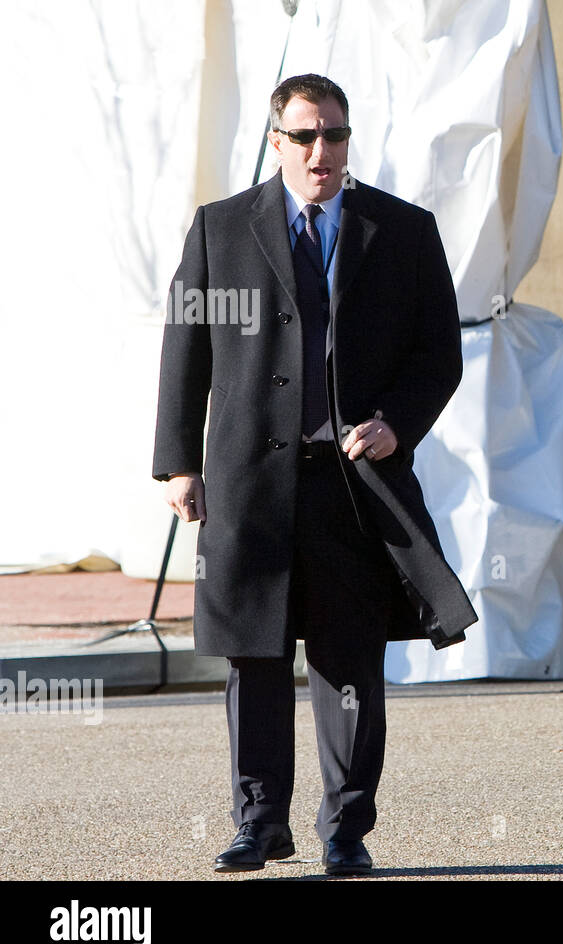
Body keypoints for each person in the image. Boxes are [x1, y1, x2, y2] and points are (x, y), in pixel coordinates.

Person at [153, 74, 476, 875]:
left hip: (353, 489)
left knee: (349, 662)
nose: (322, 151)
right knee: (253, 655)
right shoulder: (220, 229)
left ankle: (346, 830)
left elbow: (439, 354)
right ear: (276, 141)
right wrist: (177, 463)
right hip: (249, 485)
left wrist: (397, 422)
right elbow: (183, 351)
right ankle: (260, 822)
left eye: (334, 134)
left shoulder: (402, 231)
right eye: (305, 136)